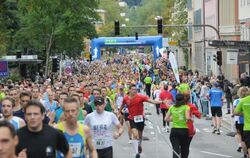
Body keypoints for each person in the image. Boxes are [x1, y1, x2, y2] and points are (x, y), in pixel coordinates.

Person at [119, 84, 164, 158]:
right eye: (133, 89)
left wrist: (161, 102)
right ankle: (137, 153)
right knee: (135, 135)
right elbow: (122, 105)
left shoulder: (141, 97)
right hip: (132, 118)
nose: (134, 91)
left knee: (140, 136)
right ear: (129, 90)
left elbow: (151, 101)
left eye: (135, 89)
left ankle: (139, 144)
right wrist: (119, 112)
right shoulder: (126, 98)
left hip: (140, 118)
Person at [165, 93, 191, 158]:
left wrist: (174, 119)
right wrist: (190, 119)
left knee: (175, 150)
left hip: (174, 130)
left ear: (176, 100)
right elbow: (187, 118)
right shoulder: (186, 107)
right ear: (183, 99)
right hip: (183, 130)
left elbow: (166, 119)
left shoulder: (172, 107)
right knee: (184, 149)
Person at [234, 87, 250, 157]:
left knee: (243, 139)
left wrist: (244, 114)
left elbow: (235, 112)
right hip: (245, 123)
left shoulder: (238, 101)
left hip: (241, 123)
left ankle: (245, 154)